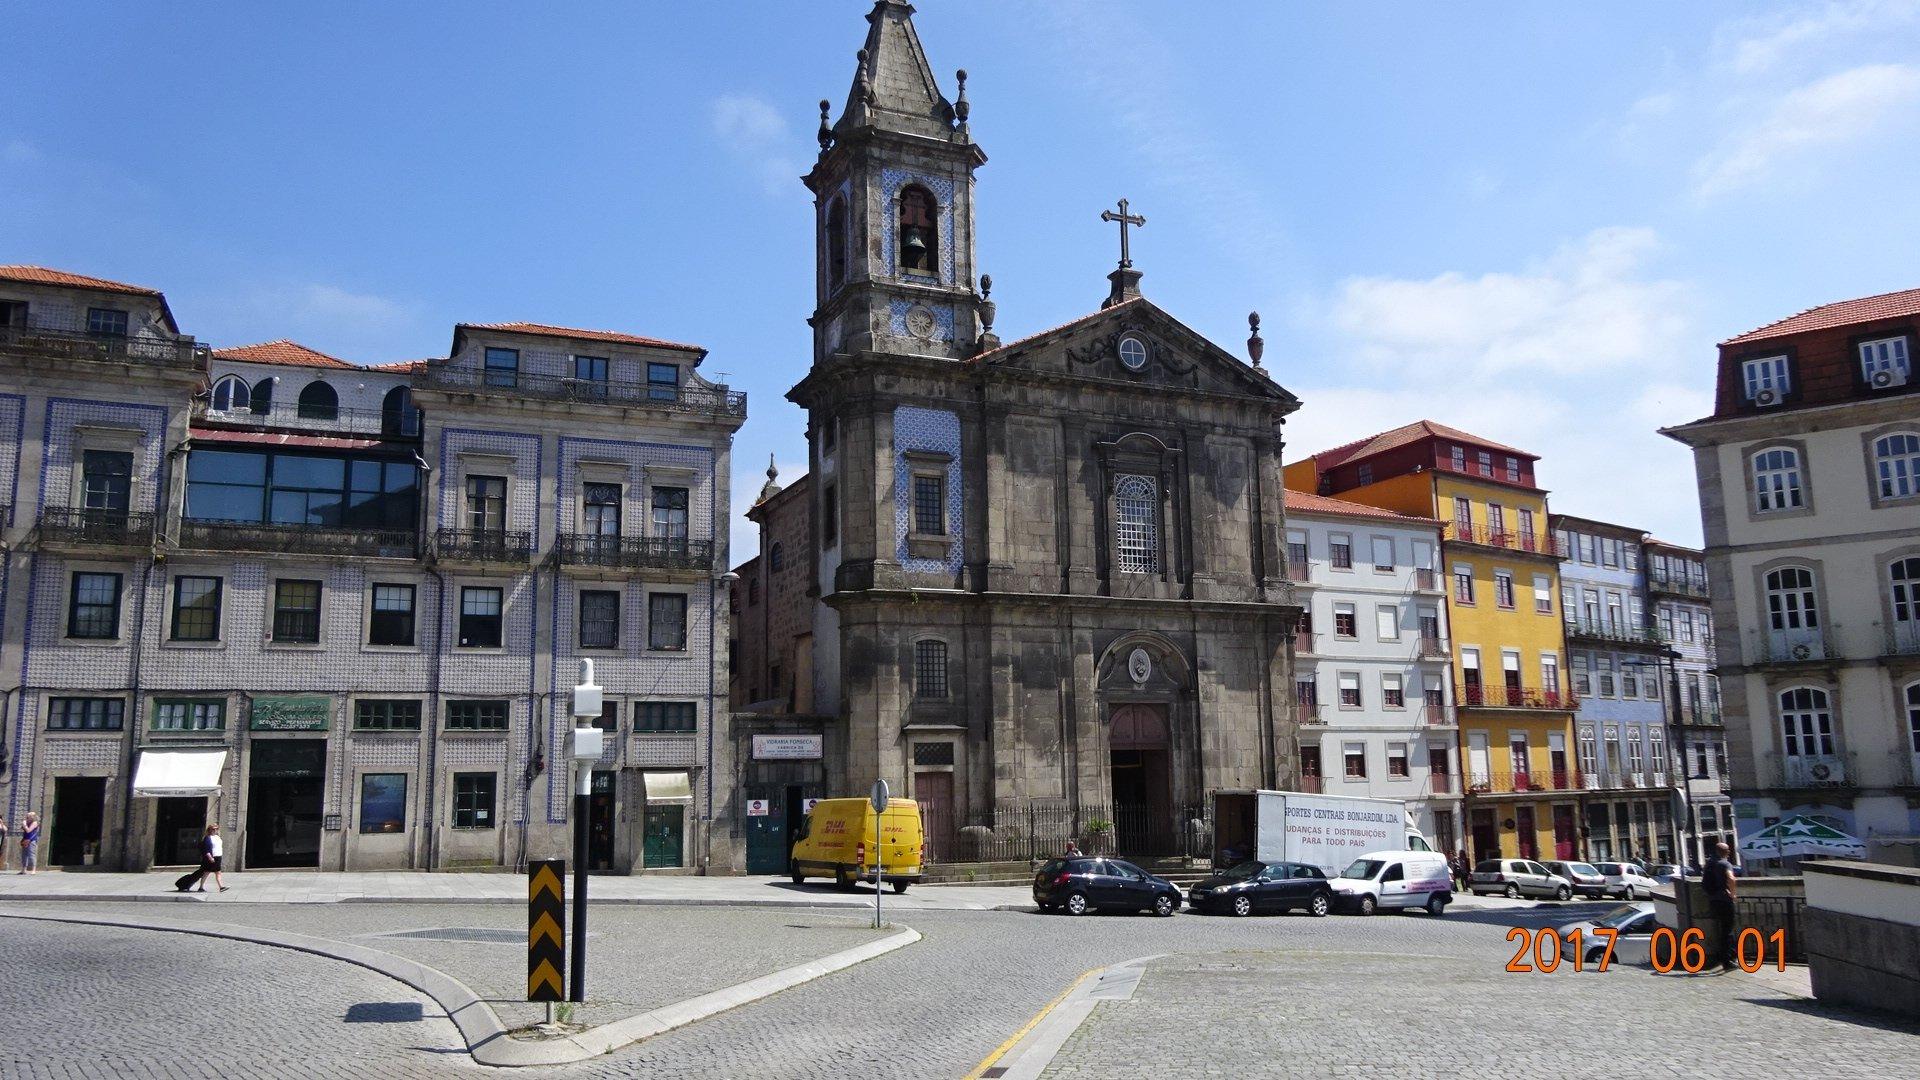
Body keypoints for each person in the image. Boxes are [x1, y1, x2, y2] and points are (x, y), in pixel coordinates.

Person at [1702, 841, 1738, 970]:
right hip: (1724, 900)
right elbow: (1732, 879)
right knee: (1728, 930)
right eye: (1728, 850)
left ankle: (1722, 957)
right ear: (1726, 852)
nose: (1729, 852)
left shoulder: (1710, 864)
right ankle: (1728, 960)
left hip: (1713, 900)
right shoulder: (1725, 863)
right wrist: (1733, 894)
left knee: (1721, 930)